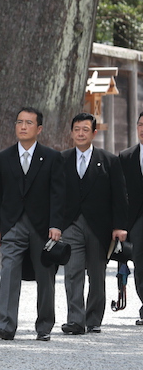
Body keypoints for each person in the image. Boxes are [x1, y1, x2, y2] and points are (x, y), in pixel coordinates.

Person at [0, 107, 65, 342]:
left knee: (45, 276)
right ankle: (6, 325)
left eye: (29, 123)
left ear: (39, 129)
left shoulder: (52, 157)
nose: (23, 127)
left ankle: (44, 326)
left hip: (42, 227)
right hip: (12, 224)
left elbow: (57, 194)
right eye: (19, 122)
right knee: (9, 272)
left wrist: (56, 224)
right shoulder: (3, 157)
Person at [59, 112, 127, 335]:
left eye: (85, 130)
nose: (80, 133)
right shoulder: (62, 159)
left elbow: (119, 196)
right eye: (76, 129)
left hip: (99, 226)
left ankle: (94, 318)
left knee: (97, 274)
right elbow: (55, 194)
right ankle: (75, 320)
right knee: (73, 271)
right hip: (71, 224)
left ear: (94, 133)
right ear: (71, 133)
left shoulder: (109, 160)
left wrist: (119, 226)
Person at [118, 111, 143, 326]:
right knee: (140, 263)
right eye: (141, 125)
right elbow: (119, 192)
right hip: (137, 219)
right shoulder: (126, 157)